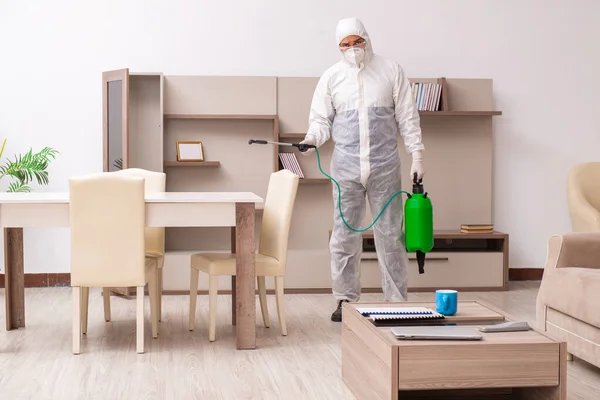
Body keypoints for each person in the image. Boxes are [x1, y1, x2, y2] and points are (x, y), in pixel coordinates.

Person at [300, 17, 425, 322]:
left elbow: (408, 118)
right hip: (346, 169)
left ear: (367, 40)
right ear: (338, 47)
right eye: (346, 45)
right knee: (344, 237)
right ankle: (345, 299)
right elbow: (320, 121)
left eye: (357, 42)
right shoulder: (331, 77)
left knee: (391, 236)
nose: (352, 49)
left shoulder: (390, 70)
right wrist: (311, 139)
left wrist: (417, 155)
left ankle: (396, 301)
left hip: (385, 167)